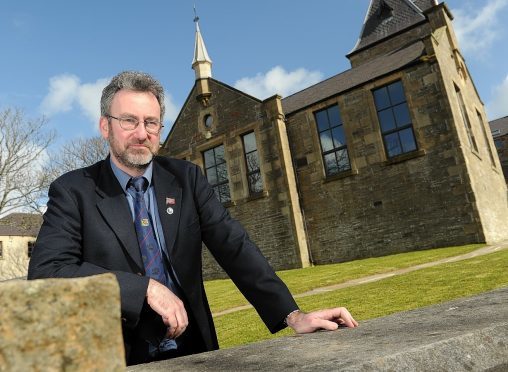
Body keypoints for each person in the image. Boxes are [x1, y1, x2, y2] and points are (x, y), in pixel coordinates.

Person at [28, 71, 358, 365]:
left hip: (194, 351)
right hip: (117, 356)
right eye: (129, 121)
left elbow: (234, 246)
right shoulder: (73, 191)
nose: (142, 133)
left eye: (151, 122)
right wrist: (143, 289)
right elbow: (47, 272)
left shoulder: (188, 179)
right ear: (105, 126)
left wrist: (293, 315)